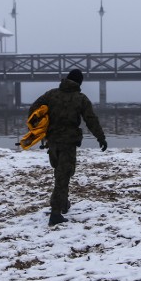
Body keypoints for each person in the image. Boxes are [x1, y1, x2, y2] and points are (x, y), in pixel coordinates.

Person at [29, 68, 107, 226]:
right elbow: (91, 119)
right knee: (63, 177)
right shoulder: (80, 98)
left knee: (60, 174)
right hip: (68, 143)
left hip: (52, 142)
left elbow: (33, 110)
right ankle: (56, 213)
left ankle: (63, 204)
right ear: (79, 82)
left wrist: (40, 128)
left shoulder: (51, 94)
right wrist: (101, 137)